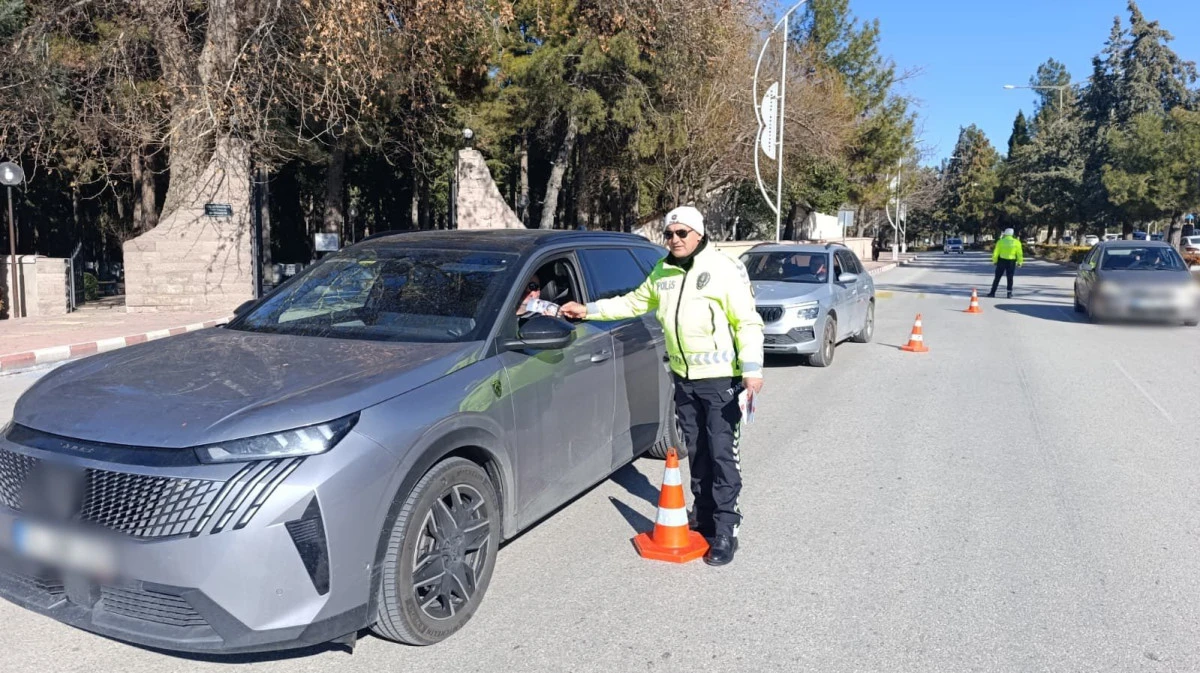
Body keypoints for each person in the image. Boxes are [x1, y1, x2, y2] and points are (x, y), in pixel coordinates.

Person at [559, 206, 764, 566]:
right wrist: (588, 310)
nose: (674, 240)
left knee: (721, 454)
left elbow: (746, 320)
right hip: (683, 379)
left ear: (699, 234)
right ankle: (702, 518)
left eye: (681, 233)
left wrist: (752, 369)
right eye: (669, 234)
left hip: (721, 381)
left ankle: (727, 528)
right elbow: (634, 302)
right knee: (697, 453)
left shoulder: (722, 268)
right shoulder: (662, 270)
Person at [988, 228, 1024, 298]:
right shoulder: (1017, 242)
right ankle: (1009, 293)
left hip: (1001, 261)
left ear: (1005, 233)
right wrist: (1020, 262)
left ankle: (992, 292)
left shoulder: (1000, 242)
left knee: (997, 277)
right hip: (1011, 261)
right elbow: (1019, 253)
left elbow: (996, 252)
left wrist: (994, 261)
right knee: (1010, 278)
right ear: (1012, 234)